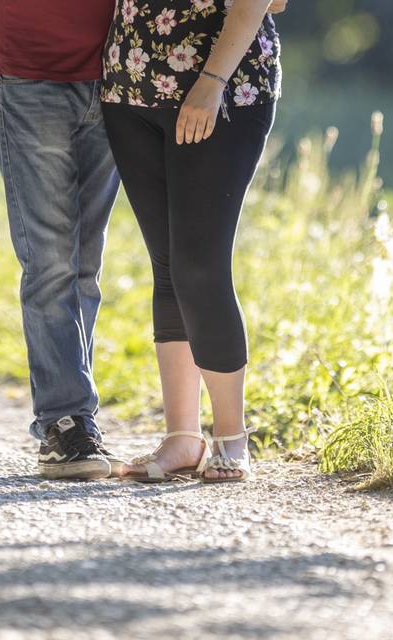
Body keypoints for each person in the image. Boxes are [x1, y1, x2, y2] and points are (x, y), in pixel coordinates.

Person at [100, 0, 286, 483]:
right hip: (129, 83)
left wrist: (211, 83)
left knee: (200, 266)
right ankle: (182, 437)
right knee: (168, 268)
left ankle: (231, 436)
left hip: (225, 90)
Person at [0, 0, 126, 480]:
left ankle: (76, 422)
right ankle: (64, 422)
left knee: (85, 262)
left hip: (116, 69)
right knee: (50, 263)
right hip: (29, 74)